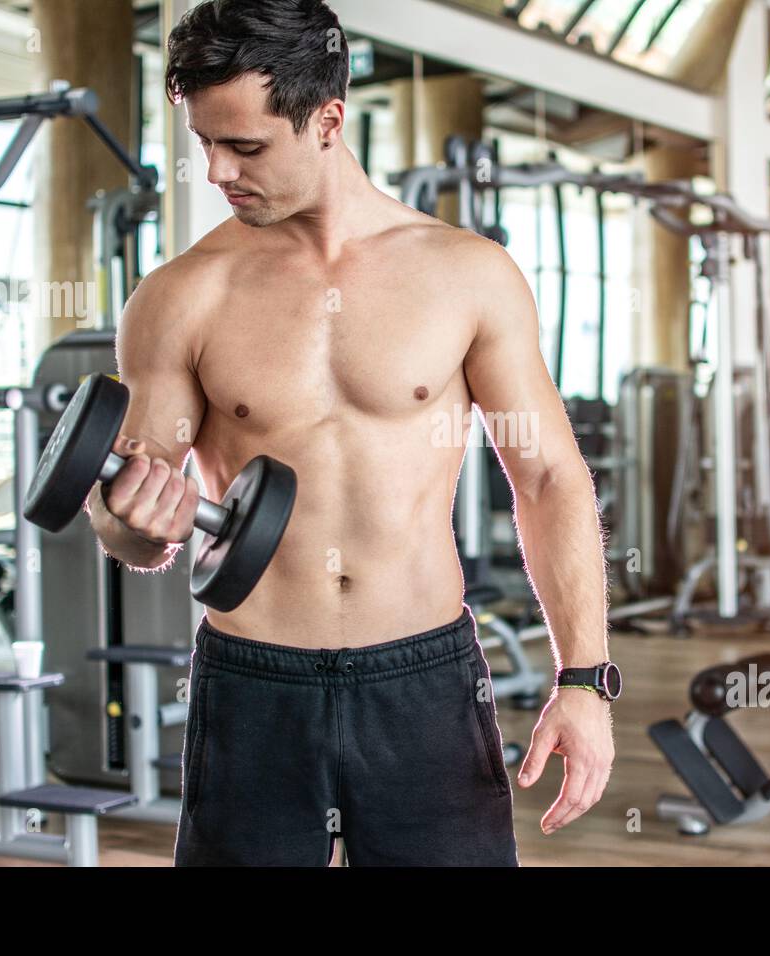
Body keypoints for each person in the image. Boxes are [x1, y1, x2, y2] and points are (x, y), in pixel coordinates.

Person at [87, 0, 616, 866]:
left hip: (423, 682)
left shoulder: (466, 275)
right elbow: (133, 520)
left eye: (247, 146)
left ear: (328, 120)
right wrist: (134, 524)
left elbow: (551, 478)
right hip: (253, 682)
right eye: (206, 144)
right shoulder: (182, 295)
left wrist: (584, 679)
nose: (217, 170)